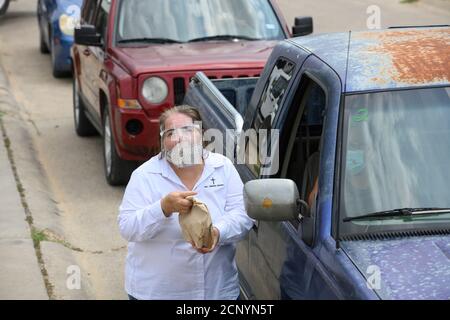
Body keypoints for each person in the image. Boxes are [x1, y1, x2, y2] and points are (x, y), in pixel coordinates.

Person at [118, 105, 254, 300]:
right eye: (170, 133)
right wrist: (163, 208)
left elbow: (242, 215)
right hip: (157, 293)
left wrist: (217, 233)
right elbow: (127, 227)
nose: (179, 138)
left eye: (188, 130)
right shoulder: (144, 176)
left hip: (217, 292)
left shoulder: (222, 167)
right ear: (163, 142)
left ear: (202, 134)